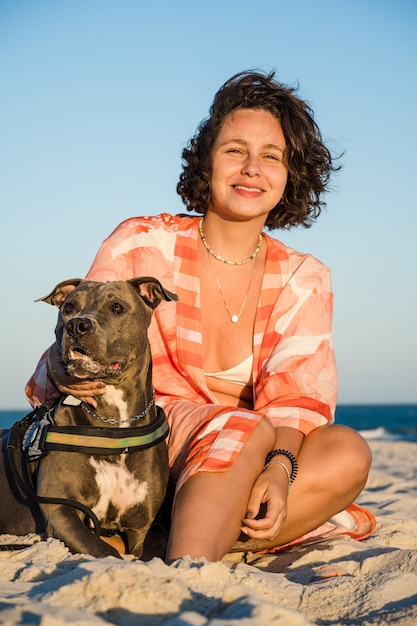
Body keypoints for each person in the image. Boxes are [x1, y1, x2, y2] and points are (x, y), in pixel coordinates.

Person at [26, 70, 374, 563]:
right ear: (206, 159)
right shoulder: (141, 242)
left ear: (290, 176)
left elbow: (297, 396)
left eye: (271, 157)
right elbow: (78, 332)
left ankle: (183, 530)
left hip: (242, 460)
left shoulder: (305, 276)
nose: (252, 168)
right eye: (235, 150)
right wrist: (64, 367)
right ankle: (188, 570)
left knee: (346, 452)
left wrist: (278, 470)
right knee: (242, 425)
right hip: (137, 442)